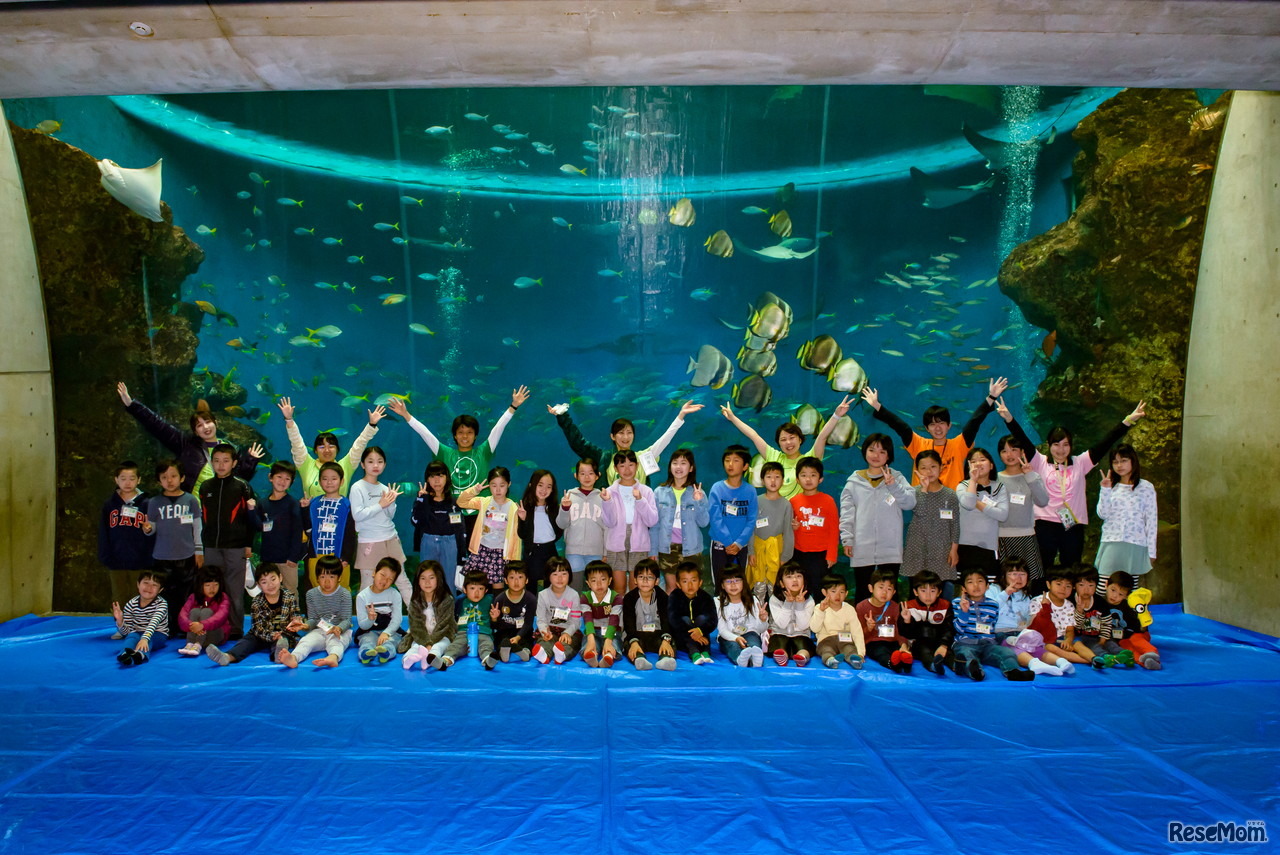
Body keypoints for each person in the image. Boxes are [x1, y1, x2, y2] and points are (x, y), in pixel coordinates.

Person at [996, 397, 1146, 570]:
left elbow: (1106, 442)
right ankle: (1041, 597)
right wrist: (1008, 418)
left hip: (1072, 524)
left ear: (1071, 445)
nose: (1061, 449)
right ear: (1049, 445)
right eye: (1056, 444)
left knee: (1073, 568)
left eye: (1065, 444)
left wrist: (1128, 421)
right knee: (1042, 569)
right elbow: (1021, 437)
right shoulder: (1040, 462)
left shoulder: (1080, 462)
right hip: (1045, 523)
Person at [389, 387, 529, 541]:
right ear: (454, 435)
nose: (465, 436)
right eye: (461, 432)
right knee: (456, 557)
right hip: (453, 513)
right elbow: (425, 434)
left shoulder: (483, 452)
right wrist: (406, 415)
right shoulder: (445, 453)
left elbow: (498, 428)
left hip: (481, 513)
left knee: (481, 555)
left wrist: (513, 406)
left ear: (475, 436)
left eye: (469, 432)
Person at [117, 382, 262, 493]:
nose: (205, 427)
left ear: (216, 423)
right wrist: (132, 405)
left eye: (208, 422)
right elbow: (158, 425)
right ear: (195, 431)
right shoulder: (186, 445)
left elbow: (239, 482)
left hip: (219, 512)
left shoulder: (231, 449)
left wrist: (250, 461)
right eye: (199, 425)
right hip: (192, 509)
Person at [860, 378, 1007, 488]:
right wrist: (877, 406)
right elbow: (900, 426)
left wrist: (991, 398)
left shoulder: (959, 444)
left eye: (941, 423)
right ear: (926, 428)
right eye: (932, 424)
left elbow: (974, 422)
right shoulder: (918, 444)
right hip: (923, 502)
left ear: (949, 426)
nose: (937, 428)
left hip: (953, 503)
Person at [719, 398, 850, 498]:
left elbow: (822, 437)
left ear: (800, 439)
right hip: (776, 516)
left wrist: (836, 415)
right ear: (779, 443)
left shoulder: (809, 461)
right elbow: (754, 436)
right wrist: (733, 418)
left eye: (792, 438)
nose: (788, 442)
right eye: (783, 440)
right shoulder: (774, 457)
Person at [551, 399, 703, 486]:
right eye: (621, 433)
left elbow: (665, 439)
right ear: (612, 436)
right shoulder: (604, 457)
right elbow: (578, 442)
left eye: (629, 432)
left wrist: (680, 416)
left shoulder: (643, 457)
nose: (625, 437)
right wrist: (563, 416)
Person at [839, 434, 917, 602]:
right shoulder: (854, 481)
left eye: (882, 452)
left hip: (890, 547)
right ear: (865, 452)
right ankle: (863, 628)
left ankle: (890, 627)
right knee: (862, 591)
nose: (876, 455)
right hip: (861, 546)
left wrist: (893, 486)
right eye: (872, 450)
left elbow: (910, 503)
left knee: (889, 592)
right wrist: (847, 539)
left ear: (888, 456)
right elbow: (846, 513)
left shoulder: (897, 477)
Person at [198, 444, 259, 640]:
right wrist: (201, 548)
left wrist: (249, 544)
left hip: (236, 547)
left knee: (234, 590)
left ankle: (235, 629)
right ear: (211, 462)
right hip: (212, 547)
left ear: (234, 463)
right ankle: (213, 625)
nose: (221, 465)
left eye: (226, 461)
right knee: (212, 588)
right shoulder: (206, 487)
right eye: (216, 461)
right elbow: (203, 518)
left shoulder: (242, 486)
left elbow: (251, 519)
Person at [277, 396, 384, 498]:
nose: (327, 450)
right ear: (315, 450)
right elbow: (296, 443)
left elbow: (360, 445)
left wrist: (371, 425)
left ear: (337, 449)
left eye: (331, 446)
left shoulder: (346, 465)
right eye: (322, 447)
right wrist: (289, 420)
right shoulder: (306, 464)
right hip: (310, 515)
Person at [142, 459, 201, 634]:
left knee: (185, 595)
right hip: (162, 557)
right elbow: (150, 527)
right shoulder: (154, 502)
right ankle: (164, 628)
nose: (169, 480)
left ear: (182, 477)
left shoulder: (190, 500)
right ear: (159, 480)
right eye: (164, 477)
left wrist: (199, 551)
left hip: (186, 555)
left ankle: (184, 627)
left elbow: (197, 527)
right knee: (164, 595)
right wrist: (147, 529)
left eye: (174, 476)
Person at [205, 563, 303, 665]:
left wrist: (296, 621)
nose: (270, 585)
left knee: (282, 642)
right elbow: (258, 628)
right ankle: (227, 657)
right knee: (247, 641)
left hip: (282, 633)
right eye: (264, 582)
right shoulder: (257, 601)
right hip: (261, 634)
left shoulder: (289, 597)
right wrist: (271, 635)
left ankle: (279, 656)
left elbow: (295, 615)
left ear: (280, 578)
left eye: (273, 579)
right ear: (259, 585)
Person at [950, 569, 1037, 681]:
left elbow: (991, 626)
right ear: (964, 588)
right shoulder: (957, 603)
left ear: (987, 586)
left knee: (1006, 652)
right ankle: (976, 672)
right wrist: (964, 612)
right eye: (970, 582)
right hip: (965, 643)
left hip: (987, 644)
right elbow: (958, 629)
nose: (976, 585)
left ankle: (1013, 672)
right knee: (966, 655)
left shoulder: (993, 605)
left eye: (980, 581)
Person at [993, 423, 1050, 592]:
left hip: (1026, 536)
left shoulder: (1031, 476)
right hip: (1001, 538)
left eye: (1013, 449)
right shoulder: (995, 479)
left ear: (1022, 452)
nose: (1009, 455)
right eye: (1004, 451)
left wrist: (1030, 476)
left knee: (1031, 583)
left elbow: (1043, 501)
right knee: (1004, 583)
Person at [349, 446, 410, 604]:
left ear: (384, 464)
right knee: (367, 584)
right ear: (363, 464)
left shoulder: (384, 488)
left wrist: (391, 503)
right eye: (370, 461)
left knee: (402, 580)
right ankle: (364, 621)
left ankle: (417, 618)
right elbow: (358, 515)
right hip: (369, 541)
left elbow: (389, 516)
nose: (375, 465)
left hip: (390, 537)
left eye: (379, 461)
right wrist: (381, 504)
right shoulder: (357, 488)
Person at [1095, 444, 1158, 593]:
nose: (1119, 465)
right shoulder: (1111, 486)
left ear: (1132, 461)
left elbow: (1152, 521)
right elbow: (1102, 514)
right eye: (1115, 462)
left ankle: (1128, 616)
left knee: (1129, 588)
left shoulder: (1146, 487)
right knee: (1104, 587)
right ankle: (1099, 615)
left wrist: (1152, 552)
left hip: (1135, 542)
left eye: (1123, 460)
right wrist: (1105, 490)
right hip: (1111, 541)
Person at [649, 450, 710, 592]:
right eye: (675, 463)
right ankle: (672, 615)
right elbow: (654, 525)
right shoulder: (659, 492)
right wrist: (653, 550)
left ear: (691, 468)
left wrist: (699, 501)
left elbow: (704, 523)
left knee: (690, 589)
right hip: (667, 548)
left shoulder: (698, 492)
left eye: (683, 463)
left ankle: (690, 615)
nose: (678, 467)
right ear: (670, 466)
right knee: (671, 588)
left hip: (691, 549)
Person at [901, 450, 960, 598]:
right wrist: (924, 490)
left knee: (942, 594)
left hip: (941, 551)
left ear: (941, 468)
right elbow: (920, 512)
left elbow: (955, 525)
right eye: (924, 468)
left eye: (933, 466)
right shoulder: (913, 492)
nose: (929, 471)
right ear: (917, 471)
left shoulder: (950, 495)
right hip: (917, 550)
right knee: (915, 595)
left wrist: (954, 550)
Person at [600, 450, 659, 594]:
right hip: (616, 543)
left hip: (639, 542)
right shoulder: (609, 491)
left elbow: (652, 520)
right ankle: (619, 616)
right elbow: (609, 522)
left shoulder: (646, 491)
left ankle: (635, 616)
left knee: (636, 587)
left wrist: (640, 500)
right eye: (622, 465)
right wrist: (607, 501)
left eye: (631, 465)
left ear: (637, 466)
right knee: (618, 588)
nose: (627, 470)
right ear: (615, 468)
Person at [278, 555, 353, 668]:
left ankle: (333, 658)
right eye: (322, 577)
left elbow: (347, 620)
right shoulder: (311, 594)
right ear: (317, 578)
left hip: (339, 631)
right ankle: (293, 658)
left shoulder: (344, 594)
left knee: (336, 642)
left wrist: (338, 628)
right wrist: (304, 626)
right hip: (320, 630)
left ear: (339, 578)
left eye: (332, 577)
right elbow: (313, 619)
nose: (327, 581)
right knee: (306, 641)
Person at [99, 460, 153, 610]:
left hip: (140, 559)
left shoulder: (147, 504)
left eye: (132, 478)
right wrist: (105, 555)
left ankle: (137, 628)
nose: (127, 483)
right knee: (119, 596)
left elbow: (153, 531)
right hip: (116, 559)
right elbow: (104, 532)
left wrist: (149, 531)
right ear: (116, 480)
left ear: (139, 480)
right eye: (123, 479)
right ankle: (121, 627)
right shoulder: (109, 505)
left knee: (140, 595)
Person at [458, 468, 521, 592]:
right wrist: (474, 490)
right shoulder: (484, 502)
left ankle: (497, 612)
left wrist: (515, 558)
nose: (498, 490)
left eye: (502, 485)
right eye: (493, 485)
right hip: (482, 550)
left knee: (498, 590)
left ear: (509, 484)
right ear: (489, 486)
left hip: (501, 553)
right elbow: (461, 502)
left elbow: (516, 537)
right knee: (475, 586)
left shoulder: (514, 507)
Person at [410, 461, 465, 595]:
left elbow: (460, 529)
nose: (436, 480)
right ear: (427, 479)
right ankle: (427, 614)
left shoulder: (453, 502)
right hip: (428, 542)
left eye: (440, 476)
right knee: (427, 581)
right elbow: (415, 521)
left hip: (450, 543)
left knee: (448, 583)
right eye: (432, 476)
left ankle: (448, 614)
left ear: (447, 478)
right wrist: (420, 500)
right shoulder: (423, 499)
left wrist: (462, 557)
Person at [956, 447, 1009, 583]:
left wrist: (978, 503)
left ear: (991, 465)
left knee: (989, 589)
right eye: (973, 461)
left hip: (989, 547)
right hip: (965, 545)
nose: (978, 464)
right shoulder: (963, 485)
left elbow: (1002, 515)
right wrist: (973, 480)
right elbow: (968, 504)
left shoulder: (999, 487)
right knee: (965, 588)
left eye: (982, 460)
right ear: (968, 466)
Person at [789, 457, 840, 597]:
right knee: (800, 591)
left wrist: (832, 554)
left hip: (821, 555)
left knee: (820, 591)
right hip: (799, 553)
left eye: (813, 475)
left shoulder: (828, 501)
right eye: (803, 475)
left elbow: (834, 529)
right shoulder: (793, 502)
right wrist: (792, 527)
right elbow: (787, 529)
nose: (808, 479)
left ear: (820, 479)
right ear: (797, 480)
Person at [708, 444, 758, 586]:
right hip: (720, 545)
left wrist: (738, 543)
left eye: (736, 460)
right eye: (727, 460)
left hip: (741, 546)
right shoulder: (717, 488)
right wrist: (729, 542)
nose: (730, 464)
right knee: (720, 584)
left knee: (739, 584)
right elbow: (715, 519)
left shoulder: (750, 491)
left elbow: (751, 520)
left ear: (745, 466)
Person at [303, 462, 357, 589]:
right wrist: (304, 509)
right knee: (317, 589)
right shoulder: (314, 503)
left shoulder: (346, 504)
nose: (329, 482)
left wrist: (346, 557)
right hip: (316, 554)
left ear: (342, 481)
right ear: (320, 481)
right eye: (325, 479)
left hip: (338, 556)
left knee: (341, 589)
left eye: (334, 479)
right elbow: (308, 529)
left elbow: (350, 534)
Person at [558, 459, 607, 590]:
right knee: (575, 589)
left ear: (598, 476)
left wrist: (605, 551)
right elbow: (561, 524)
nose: (586, 477)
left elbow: (607, 527)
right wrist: (564, 508)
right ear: (576, 475)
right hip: (573, 552)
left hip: (596, 552)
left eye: (591, 473)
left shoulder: (603, 498)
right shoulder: (569, 496)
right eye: (582, 473)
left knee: (594, 590)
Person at [258, 461, 306, 595]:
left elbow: (298, 532)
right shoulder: (263, 503)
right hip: (268, 557)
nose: (282, 481)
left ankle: (293, 616)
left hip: (287, 559)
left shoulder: (293, 503)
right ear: (270, 477)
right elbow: (257, 526)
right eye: (279, 477)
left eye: (287, 478)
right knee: (268, 591)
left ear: (292, 481)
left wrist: (293, 557)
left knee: (290, 591)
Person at [1071, 566, 1133, 668]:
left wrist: (1103, 639)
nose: (1086, 589)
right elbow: (1076, 626)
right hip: (1083, 636)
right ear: (1074, 586)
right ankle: (1106, 658)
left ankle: (1125, 655)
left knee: (1111, 643)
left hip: (1100, 634)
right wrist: (1080, 611)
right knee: (1094, 646)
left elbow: (1107, 622)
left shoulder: (1100, 602)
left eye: (1091, 585)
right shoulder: (1071, 602)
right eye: (1081, 585)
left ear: (1096, 586)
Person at [401, 560, 457, 671]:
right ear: (418, 581)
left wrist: (431, 644)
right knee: (415, 646)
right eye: (423, 578)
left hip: (442, 635)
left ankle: (432, 658)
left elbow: (443, 625)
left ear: (438, 579)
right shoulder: (415, 601)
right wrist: (426, 642)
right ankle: (407, 659)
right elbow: (416, 626)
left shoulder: (446, 600)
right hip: (421, 636)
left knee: (440, 646)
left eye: (431, 578)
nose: (427, 582)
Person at [621, 558, 677, 671]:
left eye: (650, 577)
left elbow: (667, 621)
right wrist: (634, 642)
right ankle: (639, 659)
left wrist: (666, 640)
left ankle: (665, 659)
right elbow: (628, 623)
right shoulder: (629, 598)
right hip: (637, 634)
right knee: (629, 645)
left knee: (671, 643)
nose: (645, 581)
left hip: (657, 634)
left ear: (656, 581)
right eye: (641, 577)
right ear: (635, 580)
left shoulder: (663, 597)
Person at [1027, 566, 1086, 669]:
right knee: (1051, 648)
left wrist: (1068, 640)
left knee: (1078, 644)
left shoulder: (1069, 605)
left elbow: (1070, 629)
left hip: (1062, 639)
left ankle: (1094, 657)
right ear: (1048, 584)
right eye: (1058, 584)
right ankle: (1089, 661)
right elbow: (1037, 626)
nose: (1063, 589)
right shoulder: (1038, 601)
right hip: (1044, 640)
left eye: (1068, 586)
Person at [749, 461, 795, 589]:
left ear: (783, 480)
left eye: (777, 477)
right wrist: (751, 551)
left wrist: (785, 556)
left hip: (777, 552)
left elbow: (788, 533)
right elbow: (750, 528)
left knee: (775, 587)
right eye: (769, 477)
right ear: (762, 480)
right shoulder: (756, 501)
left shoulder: (786, 505)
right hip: (758, 551)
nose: (773, 481)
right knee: (759, 586)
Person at [855, 568, 911, 672]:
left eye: (889, 589)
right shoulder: (861, 607)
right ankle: (892, 664)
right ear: (871, 588)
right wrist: (868, 628)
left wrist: (904, 646)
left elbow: (900, 631)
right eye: (881, 587)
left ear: (894, 592)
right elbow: (858, 635)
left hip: (892, 641)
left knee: (902, 651)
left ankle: (905, 663)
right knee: (880, 652)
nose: (884, 592)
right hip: (874, 642)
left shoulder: (895, 607)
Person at [516, 469, 563, 590]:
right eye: (540, 485)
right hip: (532, 552)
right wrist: (523, 519)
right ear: (532, 485)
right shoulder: (525, 507)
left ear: (552, 489)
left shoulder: (554, 508)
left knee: (552, 586)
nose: (544, 490)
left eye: (548, 487)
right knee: (530, 586)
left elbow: (559, 531)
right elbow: (522, 534)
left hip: (550, 550)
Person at [1104, 572, 1161, 670]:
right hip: (1122, 638)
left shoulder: (1130, 606)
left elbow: (1141, 627)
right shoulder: (1100, 603)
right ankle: (1147, 663)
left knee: (1135, 640)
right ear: (1106, 585)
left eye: (1120, 594)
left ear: (1126, 596)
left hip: (1137, 634)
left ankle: (1151, 653)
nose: (1115, 596)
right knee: (1127, 648)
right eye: (1113, 590)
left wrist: (1144, 619)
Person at [901, 570, 954, 676]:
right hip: (919, 643)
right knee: (924, 652)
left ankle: (958, 666)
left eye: (933, 591)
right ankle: (934, 666)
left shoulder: (946, 605)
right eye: (923, 591)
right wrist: (906, 621)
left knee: (949, 654)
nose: (928, 596)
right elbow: (905, 634)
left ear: (939, 592)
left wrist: (943, 645)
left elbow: (949, 629)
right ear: (916, 592)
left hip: (939, 641)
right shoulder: (908, 607)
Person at [442, 571, 497, 670]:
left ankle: (488, 659)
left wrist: (495, 617)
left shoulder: (490, 600)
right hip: (464, 632)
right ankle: (446, 660)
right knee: (457, 645)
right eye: (472, 588)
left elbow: (496, 622)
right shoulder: (460, 601)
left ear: (486, 590)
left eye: (481, 588)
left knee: (487, 645)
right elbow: (453, 618)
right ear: (464, 589)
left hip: (483, 632)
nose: (476, 592)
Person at [354, 558, 405, 665]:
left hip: (390, 630)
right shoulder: (362, 596)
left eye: (390, 579)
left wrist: (386, 633)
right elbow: (363, 625)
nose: (385, 581)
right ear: (374, 573)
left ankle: (386, 652)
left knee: (393, 641)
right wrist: (370, 619)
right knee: (367, 640)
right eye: (382, 575)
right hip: (369, 630)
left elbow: (397, 619)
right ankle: (366, 653)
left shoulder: (394, 594)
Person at [111, 570, 168, 666]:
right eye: (146, 583)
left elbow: (153, 623)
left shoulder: (162, 604)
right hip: (138, 633)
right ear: (138, 584)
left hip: (157, 634)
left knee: (149, 639)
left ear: (160, 590)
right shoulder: (131, 604)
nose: (149, 588)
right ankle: (125, 654)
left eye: (154, 585)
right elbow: (127, 632)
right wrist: (120, 622)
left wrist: (145, 639)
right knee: (131, 637)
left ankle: (141, 655)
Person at [809, 574, 865, 669]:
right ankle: (830, 660)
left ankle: (855, 660)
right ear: (824, 592)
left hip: (844, 640)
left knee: (849, 648)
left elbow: (857, 632)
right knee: (826, 650)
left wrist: (860, 653)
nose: (838, 595)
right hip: (826, 640)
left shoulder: (849, 609)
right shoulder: (820, 607)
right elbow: (814, 628)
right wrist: (821, 612)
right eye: (833, 591)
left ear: (846, 593)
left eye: (842, 592)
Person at [533, 556, 582, 664]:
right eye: (555, 574)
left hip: (569, 630)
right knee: (545, 641)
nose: (560, 578)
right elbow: (540, 619)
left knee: (571, 643)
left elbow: (575, 621)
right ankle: (544, 654)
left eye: (564, 574)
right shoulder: (543, 595)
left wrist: (567, 633)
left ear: (570, 575)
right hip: (550, 629)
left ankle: (562, 654)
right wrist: (545, 631)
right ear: (548, 576)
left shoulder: (574, 595)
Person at [715, 567, 768, 667]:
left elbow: (760, 629)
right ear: (722, 585)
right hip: (729, 635)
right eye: (728, 581)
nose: (733, 584)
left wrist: (763, 620)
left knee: (754, 644)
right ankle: (740, 659)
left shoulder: (752, 600)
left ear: (743, 582)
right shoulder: (718, 601)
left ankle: (755, 659)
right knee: (732, 647)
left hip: (750, 633)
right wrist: (736, 638)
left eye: (737, 580)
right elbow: (722, 630)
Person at [668, 560, 716, 664]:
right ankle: (694, 653)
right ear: (678, 584)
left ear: (700, 582)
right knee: (684, 619)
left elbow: (713, 620)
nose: (690, 585)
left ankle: (705, 652)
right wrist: (693, 633)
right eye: (685, 581)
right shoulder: (674, 597)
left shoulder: (706, 597)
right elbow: (673, 620)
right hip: (682, 637)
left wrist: (700, 631)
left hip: (701, 636)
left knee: (702, 619)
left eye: (693, 580)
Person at [768, 562, 816, 667]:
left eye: (798, 576)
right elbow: (782, 624)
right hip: (780, 633)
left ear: (804, 580)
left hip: (801, 634)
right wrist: (787, 603)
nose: (795, 580)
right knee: (779, 642)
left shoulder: (809, 600)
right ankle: (782, 657)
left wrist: (799, 605)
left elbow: (803, 625)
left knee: (803, 644)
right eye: (789, 577)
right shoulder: (775, 599)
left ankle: (802, 657)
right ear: (781, 583)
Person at [490, 561, 538, 663]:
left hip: (522, 632)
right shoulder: (500, 599)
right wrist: (494, 618)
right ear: (506, 580)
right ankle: (503, 652)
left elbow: (528, 623)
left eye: (520, 577)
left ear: (527, 580)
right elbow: (495, 626)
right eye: (512, 578)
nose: (516, 582)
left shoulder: (531, 599)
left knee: (528, 641)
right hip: (505, 632)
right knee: (500, 639)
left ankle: (524, 652)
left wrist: (518, 637)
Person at [177, 566, 230, 656]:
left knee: (206, 612)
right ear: (200, 585)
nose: (212, 589)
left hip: (214, 636)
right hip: (195, 633)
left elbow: (221, 616)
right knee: (194, 611)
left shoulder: (223, 598)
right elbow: (182, 615)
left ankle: (198, 644)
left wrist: (202, 625)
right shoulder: (193, 597)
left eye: (216, 585)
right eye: (208, 585)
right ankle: (189, 643)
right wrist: (191, 626)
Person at [580, 561, 623, 668]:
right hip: (593, 631)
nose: (599, 584)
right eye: (594, 581)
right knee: (588, 645)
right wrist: (590, 639)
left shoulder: (616, 598)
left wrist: (608, 641)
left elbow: (614, 620)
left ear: (610, 581)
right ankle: (592, 655)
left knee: (614, 644)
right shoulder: (585, 597)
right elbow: (588, 619)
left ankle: (608, 656)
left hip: (612, 631)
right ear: (588, 583)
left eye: (603, 579)